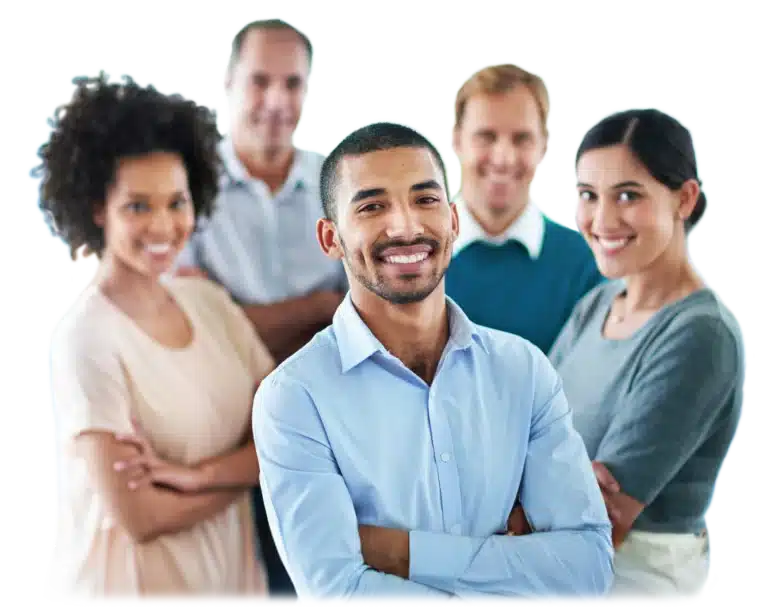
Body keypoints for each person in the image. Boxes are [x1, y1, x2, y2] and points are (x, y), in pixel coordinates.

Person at [251, 121, 615, 607]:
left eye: (425, 200)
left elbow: (586, 570)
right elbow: (338, 593)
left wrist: (399, 553)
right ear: (330, 238)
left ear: (454, 220)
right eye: (372, 206)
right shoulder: (294, 398)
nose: (404, 227)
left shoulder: (523, 372)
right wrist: (511, 573)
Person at [38, 73, 274, 606]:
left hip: (227, 588)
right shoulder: (86, 337)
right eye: (138, 206)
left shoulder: (210, 304)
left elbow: (288, 431)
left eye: (176, 202)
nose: (164, 226)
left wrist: (194, 478)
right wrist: (249, 473)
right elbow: (140, 517)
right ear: (97, 209)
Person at [546, 106, 748, 606]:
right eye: (589, 195)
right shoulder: (597, 305)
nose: (603, 219)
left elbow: (597, 526)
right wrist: (555, 479)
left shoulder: (698, 336)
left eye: (628, 195)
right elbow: (528, 428)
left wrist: (540, 475)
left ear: (684, 198)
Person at [173, 19, 345, 604]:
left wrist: (233, 313)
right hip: (218, 437)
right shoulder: (185, 189)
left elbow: (363, 320)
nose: (277, 101)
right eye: (260, 81)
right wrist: (320, 305)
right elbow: (188, 330)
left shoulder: (338, 182)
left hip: (325, 441)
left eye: (293, 83)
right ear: (227, 82)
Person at [445, 63, 604, 354]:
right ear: (456, 139)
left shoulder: (588, 262)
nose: (503, 158)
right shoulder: (412, 250)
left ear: (544, 145)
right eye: (486, 137)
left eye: (522, 139)